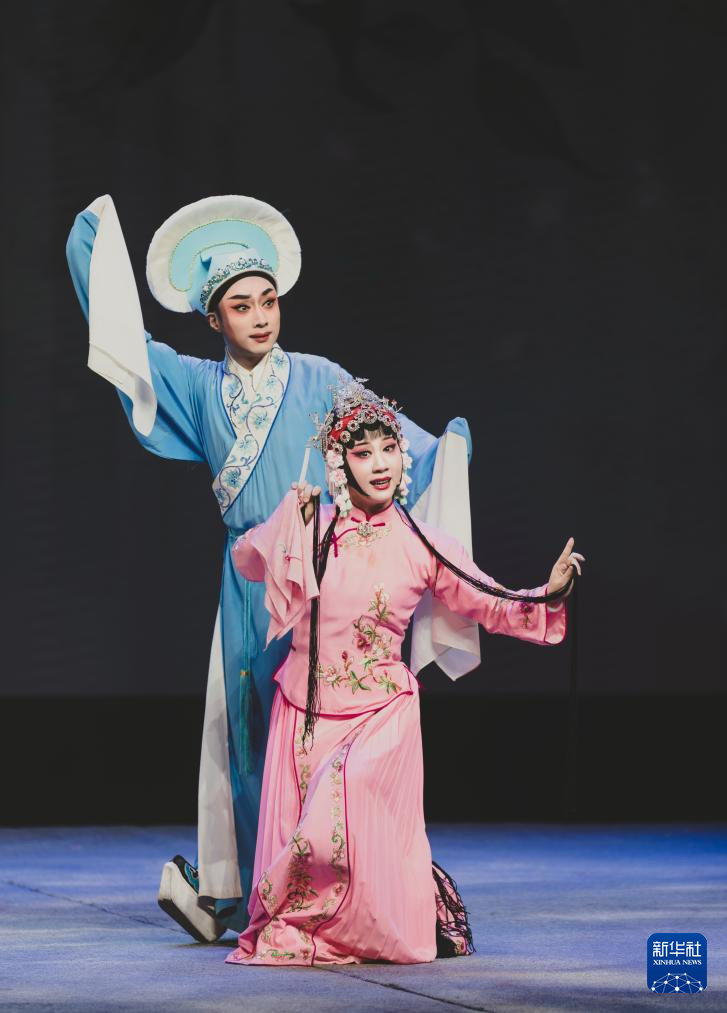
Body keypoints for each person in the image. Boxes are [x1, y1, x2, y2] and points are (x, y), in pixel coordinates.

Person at [65, 195, 482, 941]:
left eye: (268, 301)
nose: (260, 317)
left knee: (326, 741)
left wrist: (442, 451)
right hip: (251, 583)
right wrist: (91, 243)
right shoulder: (198, 385)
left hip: (329, 585)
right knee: (250, 735)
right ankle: (257, 892)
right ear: (213, 319)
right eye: (241, 306)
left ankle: (345, 891)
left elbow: (391, 445)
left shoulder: (320, 378)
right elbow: (126, 343)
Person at [226, 378, 584, 966]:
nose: (380, 464)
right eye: (363, 452)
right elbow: (247, 561)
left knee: (345, 795)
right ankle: (324, 930)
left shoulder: (422, 543)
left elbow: (487, 600)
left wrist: (547, 594)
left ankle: (365, 927)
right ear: (339, 463)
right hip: (307, 713)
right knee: (316, 844)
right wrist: (291, 518)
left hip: (381, 715)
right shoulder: (315, 527)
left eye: (389, 449)